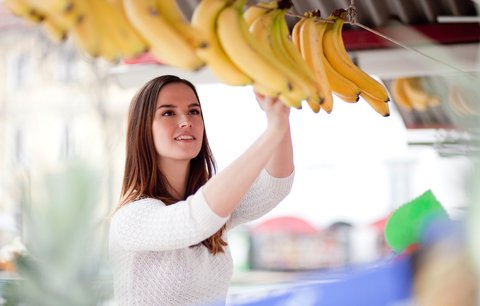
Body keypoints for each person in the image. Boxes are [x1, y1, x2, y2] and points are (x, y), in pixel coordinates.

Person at [108, 75, 295, 306]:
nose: (186, 120)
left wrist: (279, 119)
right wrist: (272, 134)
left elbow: (274, 187)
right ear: (143, 130)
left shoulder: (215, 210)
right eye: (168, 113)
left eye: (194, 111)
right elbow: (195, 219)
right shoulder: (131, 218)